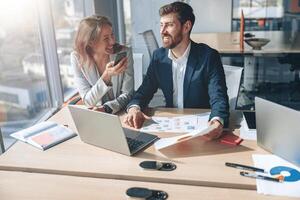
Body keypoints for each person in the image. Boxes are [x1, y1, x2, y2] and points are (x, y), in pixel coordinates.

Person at [124, 2, 229, 140]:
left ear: (186, 27)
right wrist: (134, 108)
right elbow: (144, 92)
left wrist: (217, 121)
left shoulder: (208, 57)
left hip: (200, 131)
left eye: (169, 25)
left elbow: (218, 97)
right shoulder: (158, 57)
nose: (162, 31)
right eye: (161, 25)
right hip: (171, 127)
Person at [71, 15, 134, 114]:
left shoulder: (124, 53)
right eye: (106, 38)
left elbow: (128, 94)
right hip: (96, 115)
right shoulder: (77, 58)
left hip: (121, 113)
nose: (112, 41)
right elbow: (88, 101)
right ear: (90, 42)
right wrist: (106, 76)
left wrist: (107, 108)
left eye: (112, 35)